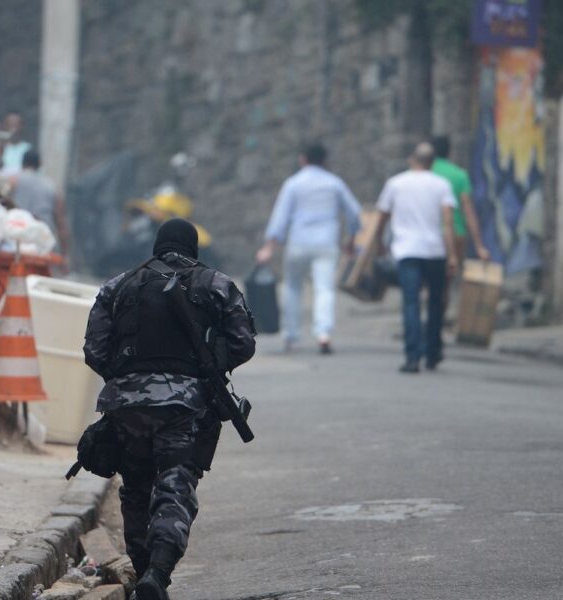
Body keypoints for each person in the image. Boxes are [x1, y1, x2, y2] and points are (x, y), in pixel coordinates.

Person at [83, 219, 256, 600]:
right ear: (193, 247)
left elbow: (94, 350)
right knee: (175, 485)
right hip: (185, 405)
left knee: (136, 488)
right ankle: (158, 575)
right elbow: (243, 344)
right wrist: (206, 369)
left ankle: (144, 572)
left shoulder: (118, 285)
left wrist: (127, 380)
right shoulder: (216, 284)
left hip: (125, 407)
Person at [256, 143, 361, 354]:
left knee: (293, 288)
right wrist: (352, 239)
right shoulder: (335, 183)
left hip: (298, 242)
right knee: (324, 288)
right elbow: (355, 214)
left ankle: (291, 336)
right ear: (325, 161)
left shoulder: (293, 183)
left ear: (302, 159)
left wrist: (268, 247)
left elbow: (280, 217)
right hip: (326, 243)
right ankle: (323, 333)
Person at [375, 142, 458, 373]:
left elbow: (381, 217)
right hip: (434, 251)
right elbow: (448, 223)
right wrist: (452, 254)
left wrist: (379, 243)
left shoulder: (396, 183)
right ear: (432, 162)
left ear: (412, 159)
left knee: (410, 303)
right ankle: (433, 352)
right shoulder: (442, 184)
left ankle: (412, 356)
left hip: (407, 250)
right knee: (435, 303)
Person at [431, 136, 490, 264]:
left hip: (429, 234)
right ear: (449, 152)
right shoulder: (459, 175)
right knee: (452, 272)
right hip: (456, 233)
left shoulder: (425, 174)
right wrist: (479, 245)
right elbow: (468, 211)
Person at [10, 149, 72, 257]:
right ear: (39, 164)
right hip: (43, 243)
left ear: (22, 163)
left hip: (17, 241)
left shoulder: (13, 180)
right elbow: (60, 222)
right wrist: (65, 253)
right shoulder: (51, 186)